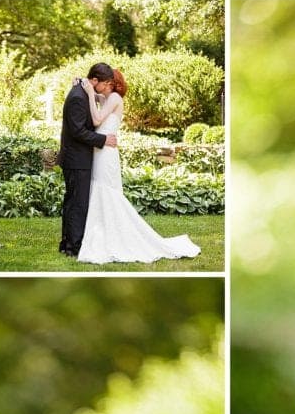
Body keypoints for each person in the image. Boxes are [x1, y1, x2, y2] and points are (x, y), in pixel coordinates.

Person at [76, 68, 200, 265]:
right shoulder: (106, 98)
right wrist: (88, 88)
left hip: (106, 154)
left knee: (107, 191)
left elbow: (97, 119)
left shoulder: (115, 98)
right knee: (99, 190)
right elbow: (97, 100)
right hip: (100, 151)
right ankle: (102, 234)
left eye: (105, 82)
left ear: (111, 83)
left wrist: (91, 94)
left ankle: (115, 236)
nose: (101, 86)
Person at [58, 63, 119, 258]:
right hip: (76, 159)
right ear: (94, 80)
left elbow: (99, 101)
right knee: (78, 204)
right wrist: (103, 139)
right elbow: (78, 131)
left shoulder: (83, 91)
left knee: (73, 202)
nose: (105, 88)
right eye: (104, 84)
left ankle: (67, 243)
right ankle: (74, 246)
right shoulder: (78, 97)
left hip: (78, 158)